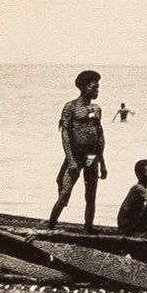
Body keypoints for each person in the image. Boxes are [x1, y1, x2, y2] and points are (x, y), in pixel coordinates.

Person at [50, 69, 108, 229]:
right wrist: (70, 160)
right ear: (83, 87)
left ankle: (88, 227)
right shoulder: (71, 107)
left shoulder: (97, 109)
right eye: (93, 87)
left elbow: (100, 135)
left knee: (91, 195)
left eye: (98, 87)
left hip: (92, 157)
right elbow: (65, 134)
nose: (96, 90)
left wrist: (102, 163)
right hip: (75, 155)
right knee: (64, 194)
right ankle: (50, 226)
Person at [117, 159, 147, 235]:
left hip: (129, 223)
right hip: (126, 225)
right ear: (141, 175)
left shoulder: (140, 188)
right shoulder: (138, 188)